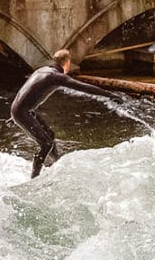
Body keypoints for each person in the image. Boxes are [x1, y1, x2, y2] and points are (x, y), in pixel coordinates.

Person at [10, 49, 120, 178]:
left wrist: (14, 113)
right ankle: (34, 178)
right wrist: (109, 95)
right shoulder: (56, 77)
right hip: (22, 112)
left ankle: (57, 164)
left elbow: (26, 90)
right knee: (46, 144)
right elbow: (84, 87)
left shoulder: (42, 70)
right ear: (67, 63)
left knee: (50, 135)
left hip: (21, 109)